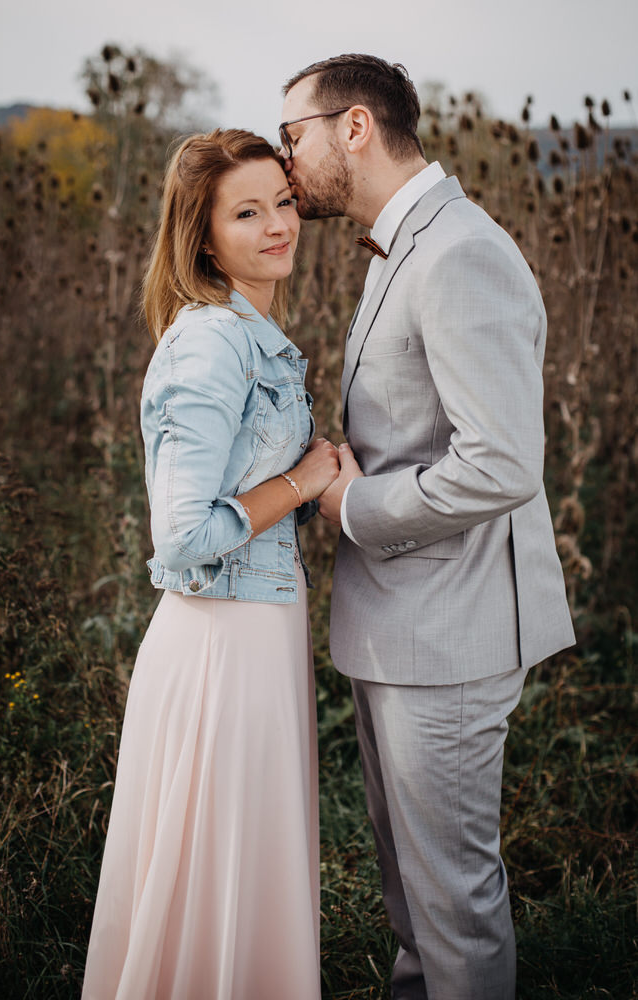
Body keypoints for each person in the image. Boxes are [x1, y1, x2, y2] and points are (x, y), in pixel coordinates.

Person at [280, 55, 575, 1000]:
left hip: (450, 633)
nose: (286, 157)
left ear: (353, 127)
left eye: (293, 135)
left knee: (451, 905)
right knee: (413, 904)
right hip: (401, 626)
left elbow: (500, 461)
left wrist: (348, 505)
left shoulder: (458, 253)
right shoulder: (402, 242)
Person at [81, 128, 339, 1000]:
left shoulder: (252, 334)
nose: (278, 225)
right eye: (246, 211)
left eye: (283, 201)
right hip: (222, 647)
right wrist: (303, 480)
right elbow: (182, 536)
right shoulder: (212, 344)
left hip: (256, 635)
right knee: (219, 879)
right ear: (202, 236)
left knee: (243, 874)